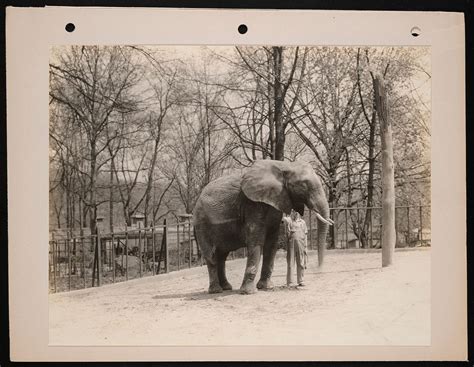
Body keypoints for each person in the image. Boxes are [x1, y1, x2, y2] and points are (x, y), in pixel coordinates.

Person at [287, 210, 308, 287]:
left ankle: (301, 280)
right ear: (292, 213)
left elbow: (305, 235)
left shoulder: (302, 222)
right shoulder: (290, 222)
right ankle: (290, 281)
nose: (296, 213)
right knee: (291, 262)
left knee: (301, 262)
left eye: (297, 212)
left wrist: (305, 246)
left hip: (301, 244)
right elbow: (287, 234)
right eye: (294, 211)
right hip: (291, 245)